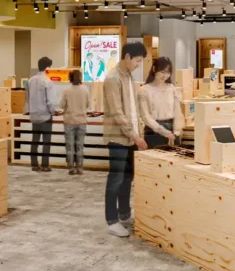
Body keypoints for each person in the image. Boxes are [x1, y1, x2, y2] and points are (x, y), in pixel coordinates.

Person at [102, 41, 147, 237]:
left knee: (127, 178)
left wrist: (139, 130)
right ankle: (112, 221)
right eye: (137, 60)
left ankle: (124, 213)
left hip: (130, 137)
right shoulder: (113, 78)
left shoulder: (129, 76)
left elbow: (133, 108)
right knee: (115, 179)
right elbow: (117, 112)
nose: (138, 64)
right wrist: (134, 134)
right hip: (118, 137)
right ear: (127, 57)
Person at [139, 56, 185, 147]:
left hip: (172, 131)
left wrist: (176, 132)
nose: (165, 76)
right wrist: (164, 132)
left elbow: (178, 112)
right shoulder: (144, 90)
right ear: (154, 69)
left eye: (168, 72)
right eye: (162, 72)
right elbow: (145, 117)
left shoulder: (172, 88)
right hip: (153, 132)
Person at [59, 69, 91, 175]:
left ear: (70, 77)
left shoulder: (66, 90)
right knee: (79, 146)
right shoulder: (85, 90)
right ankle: (80, 168)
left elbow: (61, 105)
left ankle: (71, 168)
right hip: (82, 121)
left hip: (69, 121)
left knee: (70, 146)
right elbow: (88, 104)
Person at [26, 56, 55, 172]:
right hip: (45, 116)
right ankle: (45, 165)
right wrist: (53, 112)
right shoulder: (47, 81)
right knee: (46, 142)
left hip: (34, 115)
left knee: (35, 141)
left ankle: (34, 164)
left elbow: (28, 98)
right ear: (47, 67)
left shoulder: (30, 81)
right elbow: (50, 101)